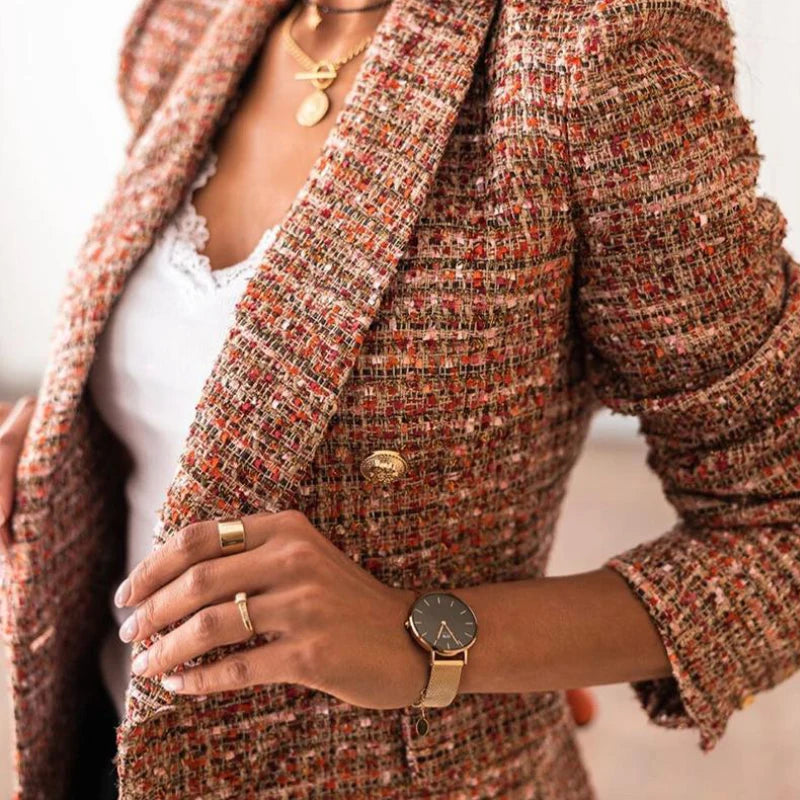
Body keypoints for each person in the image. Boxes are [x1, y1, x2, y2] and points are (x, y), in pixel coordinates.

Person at [2, 0, 799, 797]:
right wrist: (62, 445)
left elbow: (779, 524)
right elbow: (203, 367)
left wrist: (427, 640)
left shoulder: (593, 56)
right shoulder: (189, 24)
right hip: (109, 750)